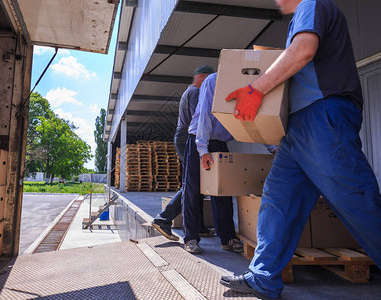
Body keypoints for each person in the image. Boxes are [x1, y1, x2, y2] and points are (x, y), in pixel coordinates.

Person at [219, 0, 381, 298]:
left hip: (322, 117)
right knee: (279, 198)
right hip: (298, 126)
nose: (278, 1)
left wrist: (256, 89)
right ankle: (263, 277)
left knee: (357, 200)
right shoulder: (304, 13)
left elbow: (303, 50)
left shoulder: (313, 3)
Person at [182, 73, 277, 254]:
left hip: (220, 142)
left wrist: (271, 146)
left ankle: (227, 238)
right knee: (193, 190)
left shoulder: (250, 87)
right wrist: (203, 150)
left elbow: (251, 119)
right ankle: (191, 238)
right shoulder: (213, 81)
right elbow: (204, 114)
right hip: (199, 139)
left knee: (224, 190)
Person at [152, 65, 215, 241]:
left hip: (184, 135)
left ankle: (199, 225)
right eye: (208, 79)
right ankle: (163, 219)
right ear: (202, 77)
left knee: (198, 184)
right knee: (191, 184)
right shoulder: (195, 92)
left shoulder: (190, 91)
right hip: (189, 136)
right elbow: (200, 117)